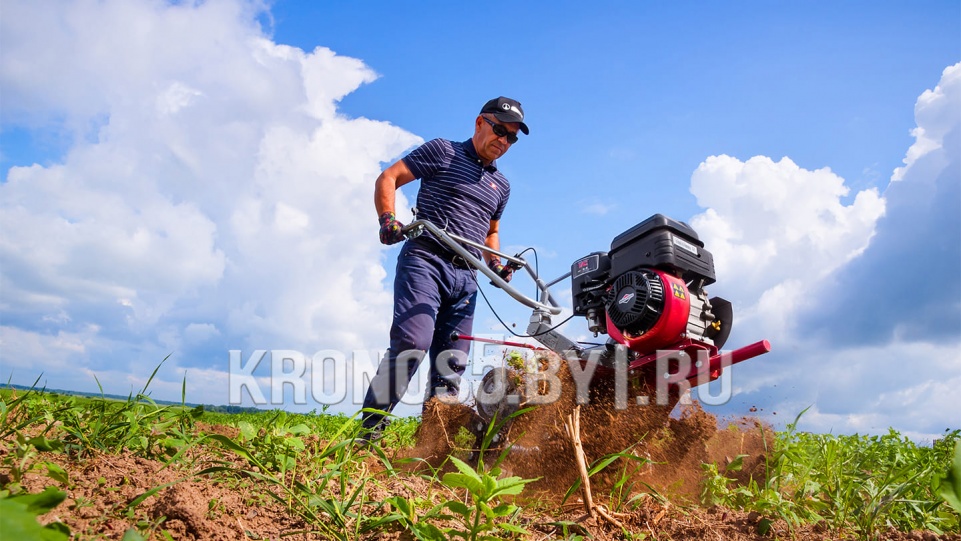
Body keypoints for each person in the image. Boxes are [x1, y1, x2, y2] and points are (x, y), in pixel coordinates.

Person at [358, 96, 530, 443]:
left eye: (511, 138)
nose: (504, 141)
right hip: (427, 259)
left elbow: (491, 231)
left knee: (449, 368)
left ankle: (429, 449)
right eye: (500, 130)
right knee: (411, 342)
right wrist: (388, 219)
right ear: (480, 122)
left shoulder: (502, 186)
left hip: (466, 277)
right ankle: (367, 434)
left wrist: (495, 264)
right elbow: (389, 177)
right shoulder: (444, 151)